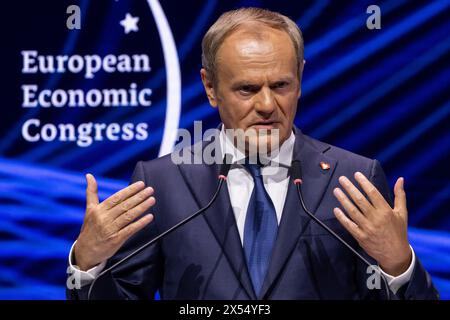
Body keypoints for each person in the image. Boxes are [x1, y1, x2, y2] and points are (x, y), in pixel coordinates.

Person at [67, 8, 438, 300]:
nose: (266, 104)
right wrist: (87, 265)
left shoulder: (353, 178)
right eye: (247, 88)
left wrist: (398, 265)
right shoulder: (162, 183)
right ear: (210, 88)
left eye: (280, 85)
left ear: (301, 78)